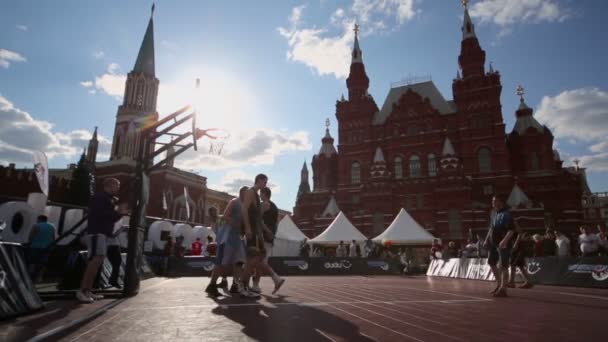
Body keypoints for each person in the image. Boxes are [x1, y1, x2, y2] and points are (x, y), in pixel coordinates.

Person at [76, 178, 127, 303]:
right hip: (97, 233)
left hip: (102, 233)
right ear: (110, 185)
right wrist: (119, 212)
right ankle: (82, 291)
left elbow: (108, 217)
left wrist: (118, 213)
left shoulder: (108, 199)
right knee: (95, 261)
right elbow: (101, 215)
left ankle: (88, 290)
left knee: (97, 261)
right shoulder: (100, 197)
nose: (118, 188)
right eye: (117, 185)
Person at [205, 186, 248, 297]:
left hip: (239, 238)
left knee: (239, 262)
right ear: (242, 193)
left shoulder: (246, 206)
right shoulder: (234, 201)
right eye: (247, 194)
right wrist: (237, 224)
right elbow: (225, 216)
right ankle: (212, 285)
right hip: (227, 237)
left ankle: (235, 285)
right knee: (221, 262)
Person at [239, 173, 271, 299]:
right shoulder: (250, 192)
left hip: (256, 232)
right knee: (253, 259)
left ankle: (245, 285)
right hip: (251, 231)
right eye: (264, 182)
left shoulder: (256, 196)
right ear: (258, 180)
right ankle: (242, 285)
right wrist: (247, 227)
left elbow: (257, 217)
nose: (265, 185)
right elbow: (244, 209)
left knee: (258, 258)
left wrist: (263, 232)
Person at [250, 187, 285, 294]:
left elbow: (259, 220)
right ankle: (256, 285)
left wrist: (267, 231)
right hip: (269, 237)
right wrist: (272, 233)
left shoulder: (264, 205)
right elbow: (276, 223)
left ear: (264, 194)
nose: (260, 195)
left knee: (259, 261)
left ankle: (276, 279)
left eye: (261, 193)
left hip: (263, 236)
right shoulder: (274, 207)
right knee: (262, 261)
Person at [484, 195, 516, 297]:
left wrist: (505, 240)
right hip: (493, 244)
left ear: (501, 202)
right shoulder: (494, 214)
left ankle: (503, 289)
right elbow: (491, 229)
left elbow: (511, 230)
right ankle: (499, 284)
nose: (493, 203)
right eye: (492, 201)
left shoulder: (506, 214)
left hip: (503, 244)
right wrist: (486, 240)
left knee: (503, 266)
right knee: (491, 263)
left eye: (495, 201)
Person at [27, 215, 56, 282]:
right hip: (46, 247)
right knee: (43, 263)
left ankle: (29, 276)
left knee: (32, 261)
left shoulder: (36, 225)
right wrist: (52, 246)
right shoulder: (52, 227)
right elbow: (53, 238)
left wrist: (29, 243)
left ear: (39, 219)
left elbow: (31, 236)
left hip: (35, 246)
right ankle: (39, 277)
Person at [106, 219, 127, 289]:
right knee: (116, 263)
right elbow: (112, 235)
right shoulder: (110, 222)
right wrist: (121, 229)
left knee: (117, 263)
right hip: (111, 245)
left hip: (114, 244)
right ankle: (112, 280)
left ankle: (112, 280)